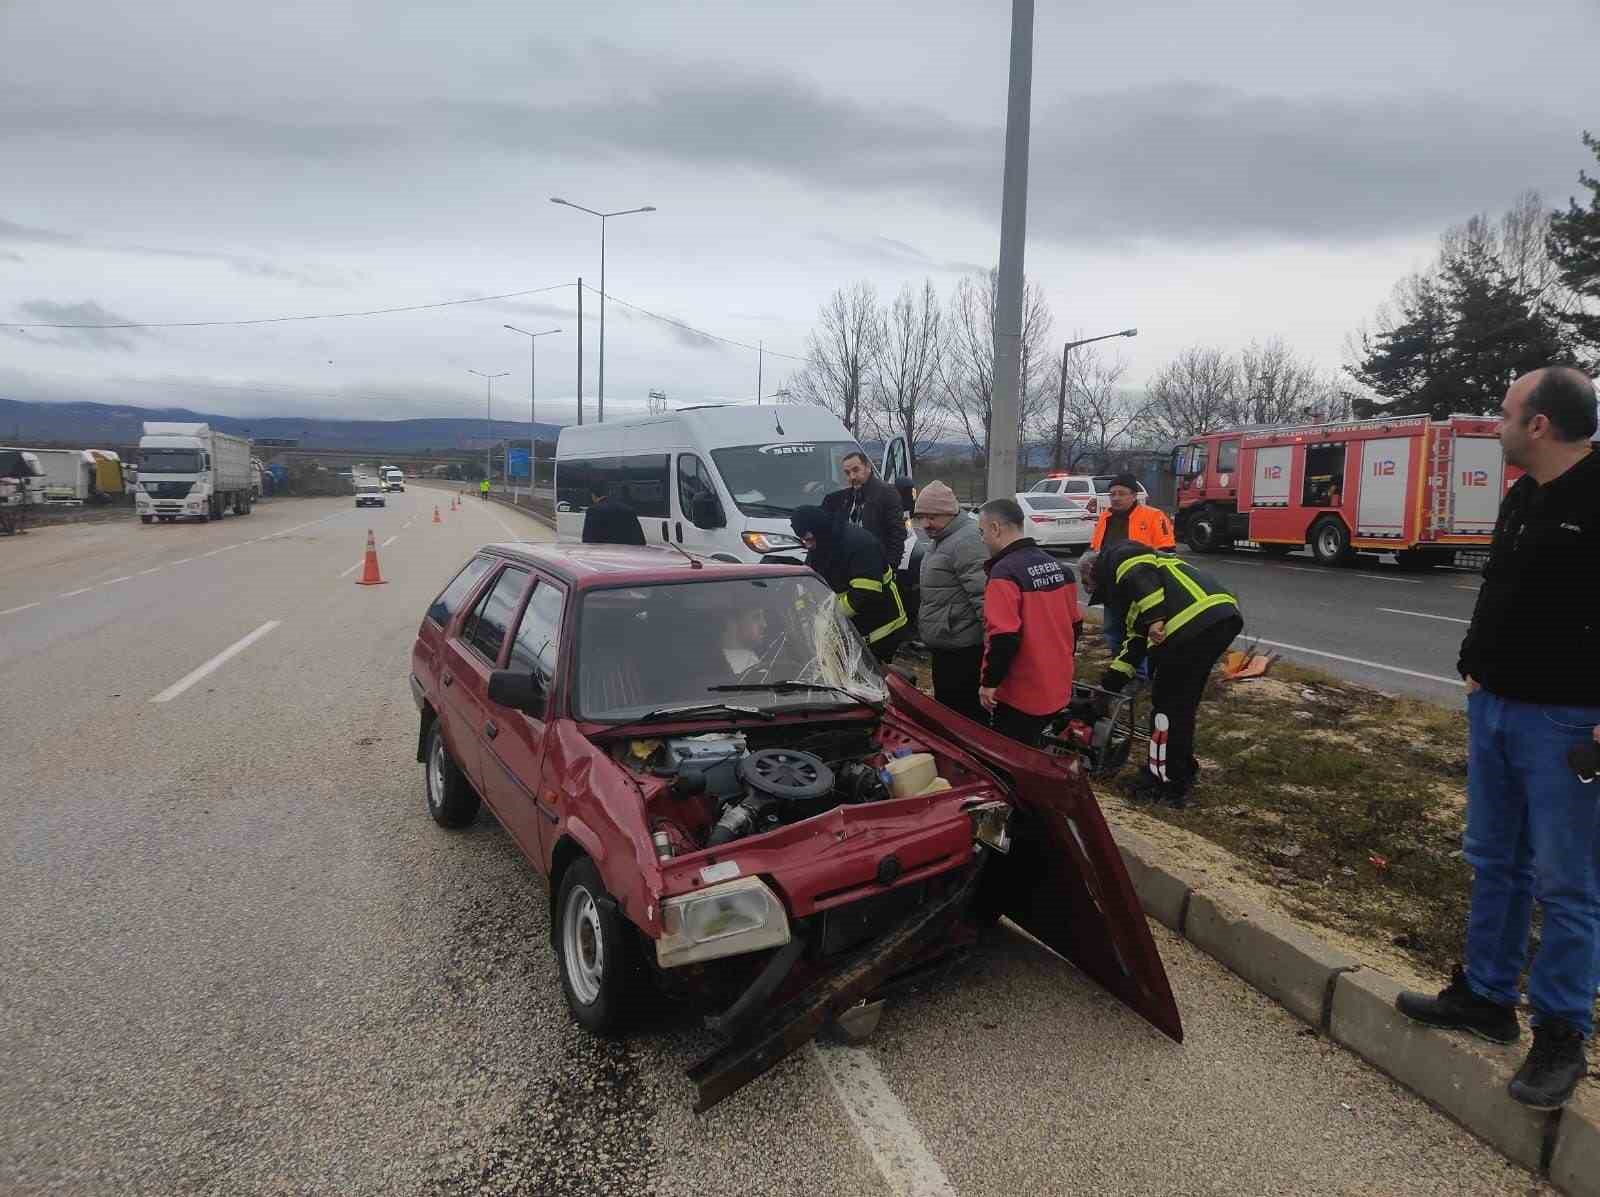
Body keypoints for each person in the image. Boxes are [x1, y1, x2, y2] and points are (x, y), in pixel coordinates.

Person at [1396, 367, 1599, 1112]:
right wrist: (1473, 669)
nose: (1496, 422)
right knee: (1495, 858)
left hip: (1568, 722)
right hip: (1498, 708)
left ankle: (1561, 1030)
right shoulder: (1522, 496)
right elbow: (1502, 590)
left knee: (1568, 882)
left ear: (1539, 423)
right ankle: (1486, 994)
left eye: (1506, 411)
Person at [1080, 540, 1242, 807]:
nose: (1106, 601)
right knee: (1182, 705)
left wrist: (1156, 618)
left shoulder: (1121, 558)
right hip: (1218, 619)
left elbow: (1140, 575)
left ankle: (1164, 782)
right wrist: (1106, 689)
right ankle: (1182, 769)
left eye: (1094, 590)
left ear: (1092, 573)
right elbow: (1133, 648)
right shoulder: (1137, 596)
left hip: (1191, 625)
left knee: (1165, 710)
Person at [975, 498, 1080, 746]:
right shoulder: (1061, 568)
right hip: (1057, 684)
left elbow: (1003, 637)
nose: (982, 540)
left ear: (995, 528)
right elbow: (1075, 626)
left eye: (982, 532)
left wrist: (989, 684)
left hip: (1022, 694)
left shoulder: (1004, 573)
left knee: (1015, 758)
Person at [790, 505, 907, 664]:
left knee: (874, 677)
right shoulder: (821, 544)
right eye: (803, 541)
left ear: (820, 530)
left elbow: (865, 593)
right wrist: (803, 612)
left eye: (809, 539)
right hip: (852, 629)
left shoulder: (860, 545)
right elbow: (810, 583)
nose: (808, 546)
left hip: (881, 629)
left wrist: (829, 617)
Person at [913, 481, 988, 723]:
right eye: (921, 517)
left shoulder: (966, 541)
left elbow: (985, 599)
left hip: (964, 651)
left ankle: (968, 759)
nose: (925, 524)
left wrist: (995, 655)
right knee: (949, 712)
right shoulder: (944, 537)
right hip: (948, 644)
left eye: (932, 516)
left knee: (963, 716)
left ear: (950, 512)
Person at [1089, 474, 1176, 669]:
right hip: (1112, 587)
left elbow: (1167, 553)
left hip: (1142, 588)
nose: (1116, 498)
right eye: (1112, 494)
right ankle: (1120, 667)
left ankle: (1141, 673)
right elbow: (1097, 551)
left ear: (1134, 495)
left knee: (1139, 633)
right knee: (1113, 630)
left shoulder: (1153, 516)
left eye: (1122, 493)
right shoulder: (1105, 518)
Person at [823, 451, 907, 575]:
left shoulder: (886, 493)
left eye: (856, 470)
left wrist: (889, 568)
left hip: (876, 568)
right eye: (847, 473)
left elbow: (897, 534)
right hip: (851, 569)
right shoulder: (848, 497)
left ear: (868, 467)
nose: (852, 477)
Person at [582, 487, 646, 546]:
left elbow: (588, 539)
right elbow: (640, 540)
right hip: (627, 553)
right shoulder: (628, 509)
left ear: (593, 495)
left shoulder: (593, 511)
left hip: (605, 553)